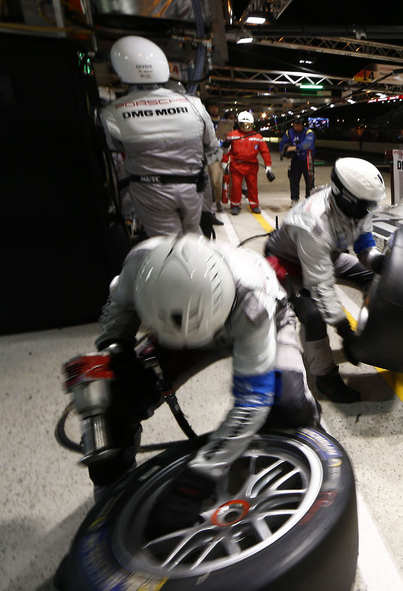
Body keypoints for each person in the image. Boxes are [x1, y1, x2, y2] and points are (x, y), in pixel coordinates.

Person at [64, 234, 319, 536]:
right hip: (175, 331)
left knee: (289, 404)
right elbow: (118, 310)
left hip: (259, 321)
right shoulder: (140, 265)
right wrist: (116, 348)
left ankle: (312, 445)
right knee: (116, 402)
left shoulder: (254, 303)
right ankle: (112, 505)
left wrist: (200, 477)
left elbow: (252, 400)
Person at [264, 158, 387, 402]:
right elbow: (320, 286)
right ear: (347, 198)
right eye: (366, 205)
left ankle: (369, 334)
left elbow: (364, 245)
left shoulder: (356, 203)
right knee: (313, 314)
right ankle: (325, 378)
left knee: (376, 278)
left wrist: (378, 262)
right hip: (286, 264)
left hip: (325, 256)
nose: (368, 210)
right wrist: (345, 330)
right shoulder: (313, 222)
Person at [100, 36, 221, 236]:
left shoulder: (112, 112)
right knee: (193, 237)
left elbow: (115, 148)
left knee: (167, 245)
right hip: (192, 188)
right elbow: (212, 147)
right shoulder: (193, 104)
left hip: (150, 190)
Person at [224, 111, 274, 215]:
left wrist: (268, 165)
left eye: (248, 125)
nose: (246, 127)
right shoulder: (232, 135)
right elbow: (226, 150)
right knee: (236, 186)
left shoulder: (257, 137)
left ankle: (254, 205)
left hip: (252, 166)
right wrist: (224, 162)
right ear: (239, 124)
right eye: (243, 124)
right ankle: (235, 205)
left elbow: (264, 151)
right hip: (236, 165)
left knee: (252, 186)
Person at [279, 119, 317, 203]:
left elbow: (308, 144)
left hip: (308, 159)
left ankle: (309, 199)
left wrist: (295, 147)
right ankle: (294, 199)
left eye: (299, 126)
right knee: (294, 180)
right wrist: (284, 153)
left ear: (302, 125)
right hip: (296, 159)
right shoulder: (289, 132)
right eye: (295, 126)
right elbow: (282, 144)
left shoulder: (309, 132)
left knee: (309, 180)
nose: (297, 127)